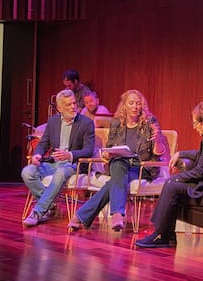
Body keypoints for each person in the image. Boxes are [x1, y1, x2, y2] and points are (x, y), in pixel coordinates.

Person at [135, 101, 203, 248]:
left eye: (195, 123)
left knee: (172, 185)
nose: (194, 127)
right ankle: (166, 235)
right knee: (172, 184)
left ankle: (162, 235)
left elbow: (201, 172)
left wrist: (176, 178)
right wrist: (181, 153)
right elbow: (202, 155)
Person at [68, 89, 165, 232]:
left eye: (138, 103)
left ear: (142, 106)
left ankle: (82, 215)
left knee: (114, 182)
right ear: (124, 105)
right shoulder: (116, 123)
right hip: (119, 163)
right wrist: (107, 154)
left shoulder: (150, 122)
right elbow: (109, 147)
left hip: (141, 167)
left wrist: (158, 140)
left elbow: (158, 153)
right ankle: (117, 214)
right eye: (131, 103)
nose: (135, 106)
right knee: (119, 163)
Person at [21, 89, 95, 226]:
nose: (73, 107)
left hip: (74, 164)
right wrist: (37, 154)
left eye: (74, 103)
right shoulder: (53, 122)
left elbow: (88, 150)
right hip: (53, 163)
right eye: (68, 105)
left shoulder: (86, 123)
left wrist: (70, 155)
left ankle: (38, 211)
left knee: (60, 173)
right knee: (27, 172)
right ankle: (49, 205)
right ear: (60, 108)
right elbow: (43, 143)